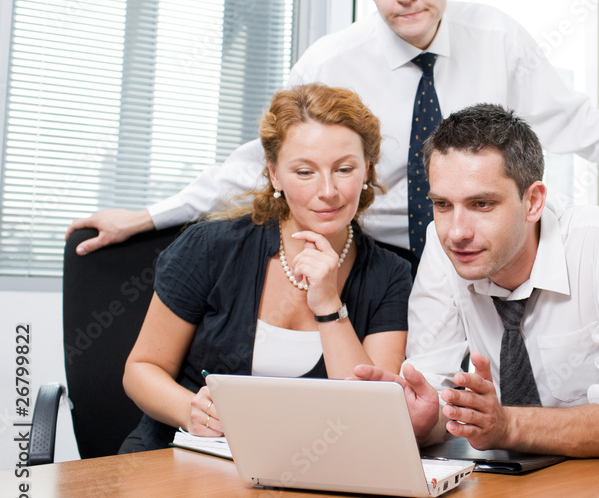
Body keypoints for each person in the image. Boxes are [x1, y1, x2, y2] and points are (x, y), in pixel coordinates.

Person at [67, 0, 599, 261]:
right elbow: (260, 163)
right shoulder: (331, 64)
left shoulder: (498, 38)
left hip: (489, 255)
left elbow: (580, 126)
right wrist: (148, 216)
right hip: (385, 262)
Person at [355, 103, 599, 458]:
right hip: (506, 489)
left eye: (482, 204)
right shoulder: (442, 246)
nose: (456, 232)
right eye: (442, 204)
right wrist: (428, 419)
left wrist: (509, 426)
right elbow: (434, 385)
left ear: (533, 201)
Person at [120, 84, 411, 452]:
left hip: (307, 475)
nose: (328, 191)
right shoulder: (210, 248)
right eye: (304, 172)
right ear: (274, 175)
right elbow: (141, 369)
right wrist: (188, 410)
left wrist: (328, 307)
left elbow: (371, 415)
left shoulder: (390, 276)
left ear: (367, 170)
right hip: (181, 457)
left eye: (344, 169)